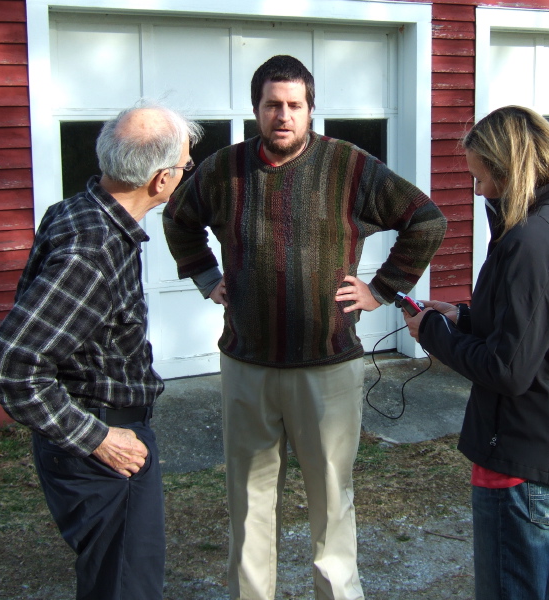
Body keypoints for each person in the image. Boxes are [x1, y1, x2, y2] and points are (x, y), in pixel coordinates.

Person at [163, 55, 447, 600]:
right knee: (248, 506)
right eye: (273, 105)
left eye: (295, 105)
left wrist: (381, 290)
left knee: (332, 503)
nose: (284, 115)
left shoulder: (350, 167)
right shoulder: (225, 170)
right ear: (256, 110)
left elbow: (425, 219)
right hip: (247, 365)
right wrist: (204, 275)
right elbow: (178, 217)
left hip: (328, 368)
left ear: (311, 110)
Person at [0, 101, 202, 600]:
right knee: (125, 586)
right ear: (161, 181)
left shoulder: (79, 210)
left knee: (110, 577)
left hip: (95, 432)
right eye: (185, 167)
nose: (185, 175)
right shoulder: (95, 249)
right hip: (100, 444)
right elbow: (11, 365)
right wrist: (99, 438)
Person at [403, 105, 549, 600]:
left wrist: (431, 331)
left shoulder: (534, 240)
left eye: (480, 178)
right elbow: (538, 331)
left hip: (522, 462)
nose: (476, 192)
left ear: (508, 168)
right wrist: (462, 317)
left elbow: (507, 368)